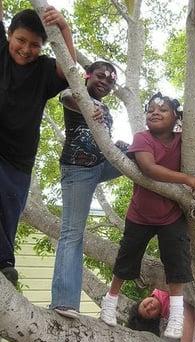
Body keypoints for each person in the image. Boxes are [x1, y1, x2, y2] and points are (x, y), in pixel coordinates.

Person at [100, 92, 195, 339]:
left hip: (171, 214)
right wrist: (187, 179)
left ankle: (175, 313)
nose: (155, 112)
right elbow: (149, 168)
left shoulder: (184, 140)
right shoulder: (142, 138)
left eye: (163, 110)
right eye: (151, 110)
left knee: (177, 261)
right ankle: (110, 300)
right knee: (127, 259)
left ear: (176, 117)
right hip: (140, 214)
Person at [0, 1, 76, 287]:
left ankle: (4, 263)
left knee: (8, 208)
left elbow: (69, 69)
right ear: (9, 35)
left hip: (18, 158)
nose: (26, 49)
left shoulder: (44, 70)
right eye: (20, 40)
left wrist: (64, 28)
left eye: (35, 44)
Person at [50, 61, 128, 318]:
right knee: (73, 233)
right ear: (88, 76)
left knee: (139, 150)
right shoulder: (78, 93)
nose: (105, 81)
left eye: (111, 80)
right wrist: (87, 106)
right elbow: (67, 97)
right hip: (78, 169)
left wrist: (118, 145)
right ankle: (64, 301)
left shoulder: (105, 108)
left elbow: (103, 139)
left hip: (100, 165)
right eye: (101, 76)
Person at [127, 288, 195, 342]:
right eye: (149, 312)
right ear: (154, 318)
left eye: (144, 305)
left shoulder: (159, 289)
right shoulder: (166, 311)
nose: (150, 306)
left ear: (144, 299)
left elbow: (185, 308)